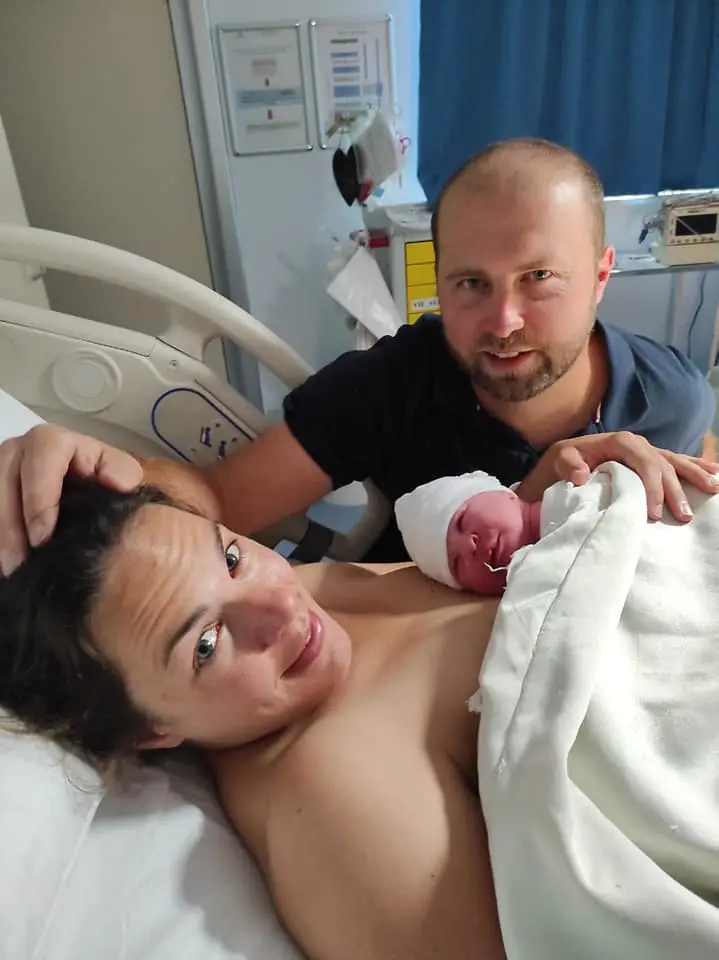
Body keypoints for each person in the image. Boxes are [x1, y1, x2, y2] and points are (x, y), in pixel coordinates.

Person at [0, 138, 717, 575]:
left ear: (600, 275)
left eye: (539, 277)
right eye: (471, 283)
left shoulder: (671, 405)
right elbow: (218, 500)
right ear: (439, 282)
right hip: (412, 656)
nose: (503, 321)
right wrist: (98, 468)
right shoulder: (389, 387)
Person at [0, 475, 508, 959]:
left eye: (231, 556)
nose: (280, 606)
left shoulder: (305, 598)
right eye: (207, 644)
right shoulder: (334, 794)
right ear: (152, 731)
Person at [395, 469, 543, 595]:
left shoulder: (556, 494)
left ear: (503, 494)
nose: (467, 546)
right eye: (457, 564)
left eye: (461, 522)